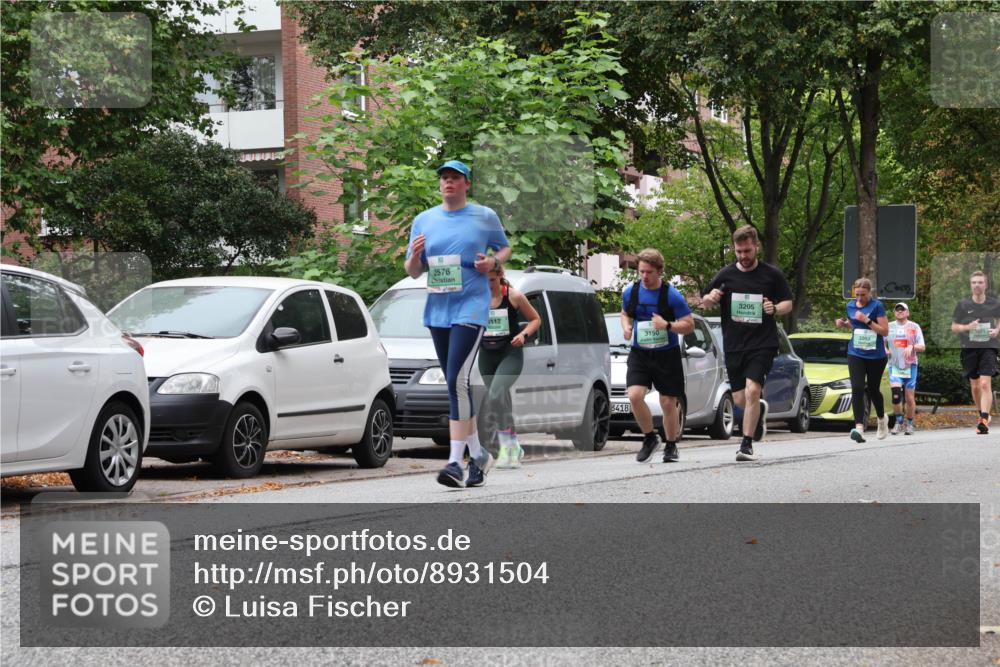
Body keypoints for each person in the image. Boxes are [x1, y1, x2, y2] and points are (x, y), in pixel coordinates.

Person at [405, 159, 512, 487]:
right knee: (456, 385)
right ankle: (478, 454)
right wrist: (415, 256)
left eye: (455, 178)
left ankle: (454, 462)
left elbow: (504, 249)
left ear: (467, 184)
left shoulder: (484, 216)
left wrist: (492, 262)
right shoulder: (424, 220)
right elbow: (412, 271)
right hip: (438, 309)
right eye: (444, 178)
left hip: (471, 307)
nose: (448, 182)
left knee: (456, 380)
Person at [701, 225, 794, 461]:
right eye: (739, 251)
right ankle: (757, 411)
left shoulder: (771, 275)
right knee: (740, 399)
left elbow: (788, 303)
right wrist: (710, 298)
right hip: (734, 344)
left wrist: (775, 308)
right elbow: (704, 301)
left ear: (756, 247)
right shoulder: (725, 275)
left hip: (763, 343)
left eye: (747, 251)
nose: (743, 256)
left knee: (753, 390)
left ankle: (746, 444)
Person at [620, 249, 695, 463]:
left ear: (659, 271)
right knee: (634, 396)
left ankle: (671, 446)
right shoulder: (631, 292)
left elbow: (689, 325)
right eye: (641, 271)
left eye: (649, 272)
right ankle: (650, 438)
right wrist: (626, 327)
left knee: (668, 402)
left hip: (666, 354)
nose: (644, 276)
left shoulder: (672, 295)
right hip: (640, 352)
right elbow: (625, 313)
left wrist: (668, 325)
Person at [478, 264, 541, 469]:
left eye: (492, 280)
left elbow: (535, 319)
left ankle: (507, 447)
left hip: (510, 353)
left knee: (495, 395)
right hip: (486, 355)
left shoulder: (514, 296)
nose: (488, 285)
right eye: (484, 280)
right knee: (500, 401)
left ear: (500, 276)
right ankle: (514, 446)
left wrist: (523, 335)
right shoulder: (477, 297)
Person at [835, 277, 890, 443]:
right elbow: (855, 325)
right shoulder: (850, 306)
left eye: (863, 294)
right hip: (856, 352)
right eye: (857, 294)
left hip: (876, 355)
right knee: (857, 387)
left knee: (873, 389)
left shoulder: (877, 306)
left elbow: (885, 331)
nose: (859, 298)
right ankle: (859, 427)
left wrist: (867, 320)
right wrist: (844, 324)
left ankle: (882, 419)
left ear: (869, 292)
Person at [950, 270, 1000, 434]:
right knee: (976, 386)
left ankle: (984, 420)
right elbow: (954, 327)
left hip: (988, 347)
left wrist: (997, 330)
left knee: (985, 383)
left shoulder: (994, 303)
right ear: (970, 285)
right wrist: (967, 327)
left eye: (980, 282)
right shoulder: (963, 305)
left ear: (985, 285)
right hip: (969, 348)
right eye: (974, 282)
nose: (977, 285)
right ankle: (981, 414)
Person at [885, 302, 925, 435]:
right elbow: (880, 340)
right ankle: (898, 422)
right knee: (896, 395)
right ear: (894, 312)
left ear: (908, 312)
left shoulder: (914, 326)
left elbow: (922, 347)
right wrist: (885, 349)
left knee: (909, 397)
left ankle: (910, 424)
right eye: (897, 310)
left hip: (910, 365)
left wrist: (912, 346)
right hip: (894, 365)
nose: (900, 311)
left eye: (902, 309)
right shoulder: (889, 326)